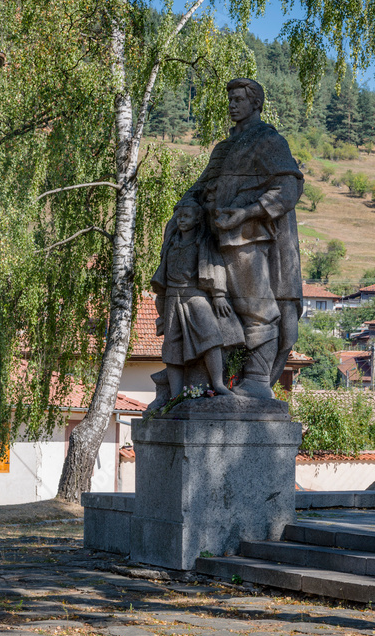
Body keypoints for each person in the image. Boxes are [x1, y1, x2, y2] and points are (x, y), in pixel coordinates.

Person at [179, 78, 303, 398]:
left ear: (255, 103)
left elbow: (288, 188)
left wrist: (247, 212)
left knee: (256, 310)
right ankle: (222, 380)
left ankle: (258, 381)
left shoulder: (267, 141)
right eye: (230, 99)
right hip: (212, 241)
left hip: (248, 238)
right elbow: (198, 188)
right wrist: (188, 208)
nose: (233, 104)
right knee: (221, 315)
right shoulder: (224, 147)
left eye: (239, 99)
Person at [151, 200, 242, 398]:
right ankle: (175, 395)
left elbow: (215, 265)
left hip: (195, 295)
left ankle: (217, 383)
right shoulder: (172, 242)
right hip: (173, 297)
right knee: (172, 347)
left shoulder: (203, 241)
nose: (181, 220)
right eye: (179, 217)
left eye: (186, 216)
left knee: (211, 336)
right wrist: (162, 303)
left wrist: (218, 294)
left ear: (197, 219)